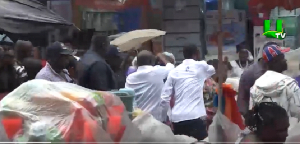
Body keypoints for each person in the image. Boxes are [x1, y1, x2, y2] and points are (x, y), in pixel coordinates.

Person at [160, 44, 215, 140]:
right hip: (196, 117)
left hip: (177, 119)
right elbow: (213, 70)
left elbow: (164, 99)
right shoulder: (201, 66)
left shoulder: (174, 71)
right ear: (197, 54)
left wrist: (164, 118)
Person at [237, 42, 289, 116]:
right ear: (274, 61)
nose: (285, 60)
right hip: (256, 115)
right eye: (282, 57)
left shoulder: (271, 68)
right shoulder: (258, 75)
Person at [126, 50, 174, 121]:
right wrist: (162, 57)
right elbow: (171, 67)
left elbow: (129, 98)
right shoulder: (157, 71)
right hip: (156, 120)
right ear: (152, 62)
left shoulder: (130, 78)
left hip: (138, 120)